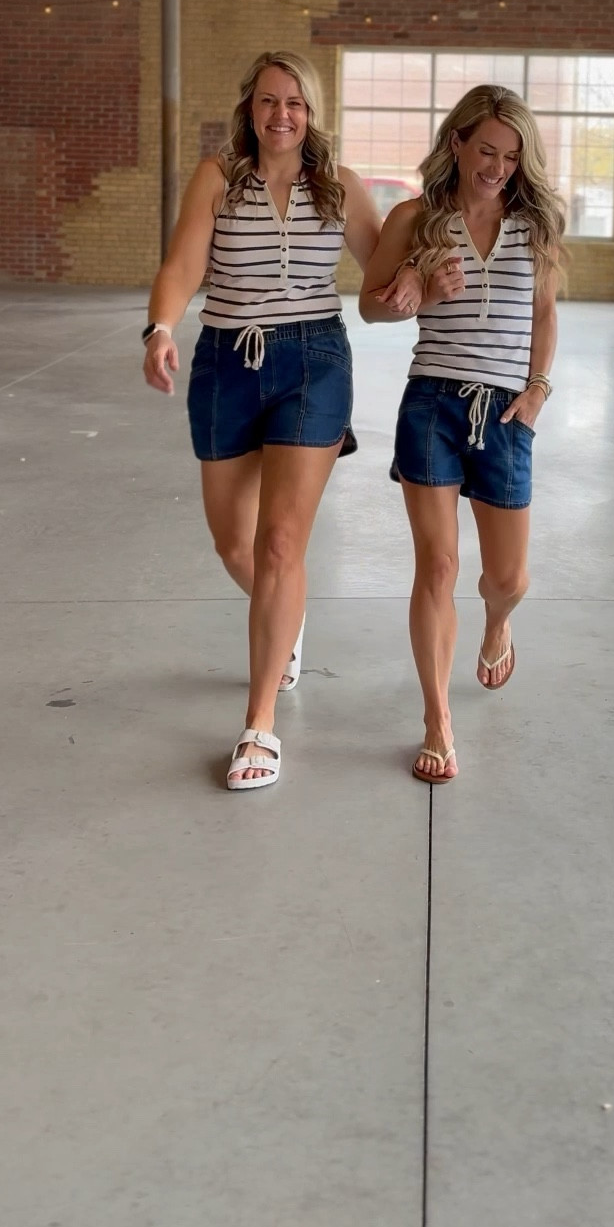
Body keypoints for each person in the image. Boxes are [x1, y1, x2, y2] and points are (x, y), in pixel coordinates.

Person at [143, 50, 382, 791]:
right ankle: (289, 622)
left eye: (297, 104)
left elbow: (382, 268)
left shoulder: (339, 186)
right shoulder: (219, 177)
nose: (283, 115)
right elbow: (183, 265)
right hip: (226, 361)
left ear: (313, 114)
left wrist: (423, 280)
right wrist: (159, 328)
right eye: (271, 101)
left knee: (282, 543)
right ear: (250, 107)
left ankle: (259, 729)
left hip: (313, 361)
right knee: (234, 544)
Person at [360, 85, 563, 784]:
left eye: (511, 156)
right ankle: (437, 720)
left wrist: (537, 390)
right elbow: (370, 307)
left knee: (506, 578)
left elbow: (543, 316)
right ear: (457, 143)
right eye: (487, 151)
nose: (499, 167)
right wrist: (418, 286)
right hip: (432, 407)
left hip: (506, 412)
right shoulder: (416, 218)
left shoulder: (533, 224)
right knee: (437, 568)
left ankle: (498, 621)